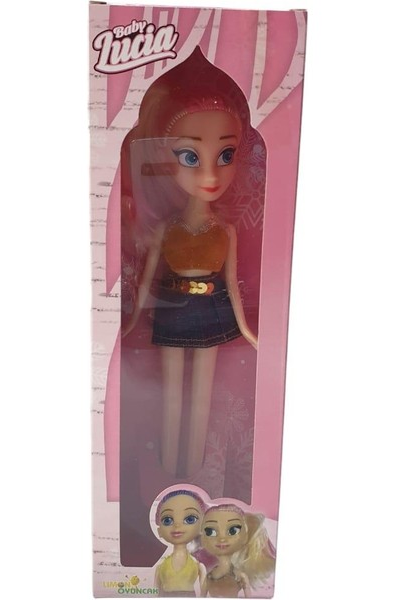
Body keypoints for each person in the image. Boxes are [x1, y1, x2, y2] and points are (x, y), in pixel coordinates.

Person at [121, 46, 262, 476]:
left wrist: (247, 330)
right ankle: (168, 473)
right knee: (171, 397)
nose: (211, 175)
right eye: (189, 157)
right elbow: (146, 280)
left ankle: (194, 474)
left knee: (201, 397)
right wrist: (130, 321)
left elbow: (232, 284)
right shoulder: (167, 228)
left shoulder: (226, 230)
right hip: (172, 309)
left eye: (226, 155)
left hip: (212, 309)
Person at [200, 503, 275, 598]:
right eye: (210, 532)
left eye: (233, 531)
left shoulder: (240, 576)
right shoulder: (209, 575)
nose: (222, 539)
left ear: (245, 537)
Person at [154, 489, 206, 596]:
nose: (177, 525)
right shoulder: (160, 568)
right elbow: (155, 594)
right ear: (160, 531)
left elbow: (204, 594)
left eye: (190, 519)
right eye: (167, 520)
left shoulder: (198, 566)